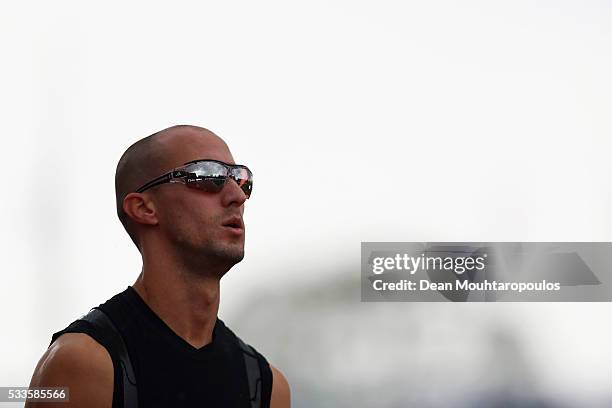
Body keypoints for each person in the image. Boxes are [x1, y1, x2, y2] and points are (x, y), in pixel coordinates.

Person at [26, 125, 291, 408]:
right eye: (208, 176)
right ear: (143, 208)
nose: (237, 196)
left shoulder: (267, 387)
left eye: (240, 180)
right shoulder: (84, 363)